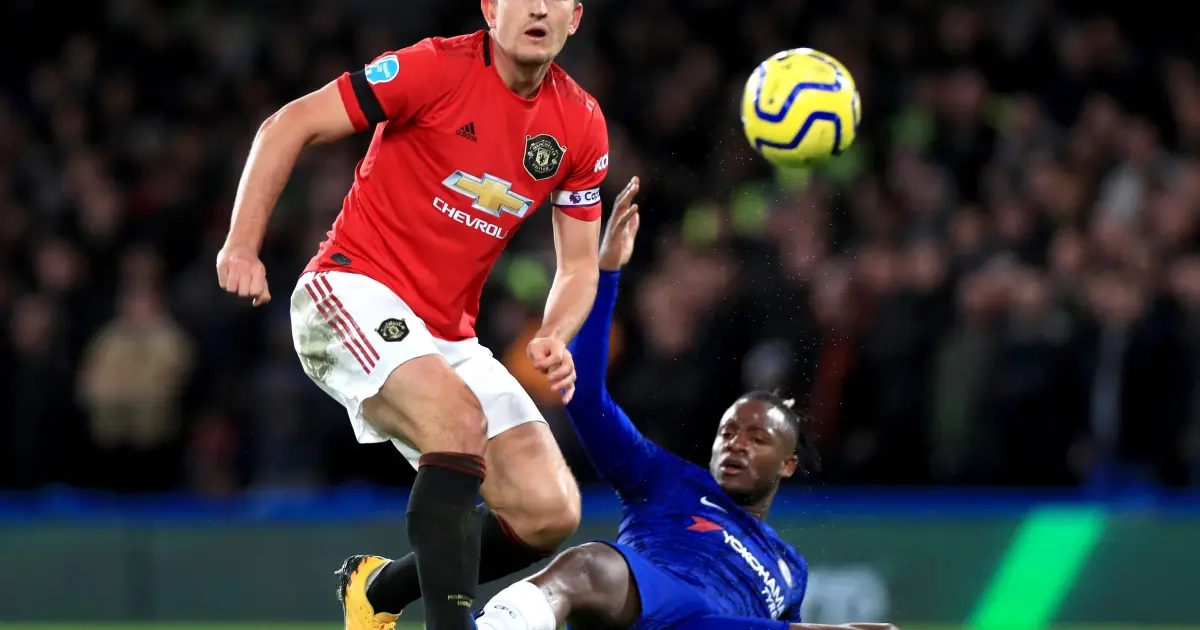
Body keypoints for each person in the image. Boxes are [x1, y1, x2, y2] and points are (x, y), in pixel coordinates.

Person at [216, 2, 624, 630]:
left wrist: (553, 332)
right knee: (458, 421)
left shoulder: (580, 121)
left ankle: (376, 590)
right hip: (349, 290)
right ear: (490, 9)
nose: (538, 7)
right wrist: (242, 245)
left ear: (575, 18)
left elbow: (577, 265)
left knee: (549, 509)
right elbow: (288, 123)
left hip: (446, 334)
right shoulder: (434, 68)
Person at [471, 194, 899, 630]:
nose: (737, 444)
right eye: (728, 433)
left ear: (787, 464)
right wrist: (607, 271)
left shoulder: (791, 570)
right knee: (590, 566)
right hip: (654, 612)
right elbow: (584, 398)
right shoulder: (665, 480)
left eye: (757, 438)